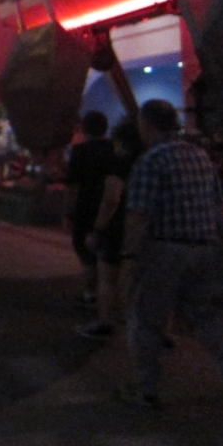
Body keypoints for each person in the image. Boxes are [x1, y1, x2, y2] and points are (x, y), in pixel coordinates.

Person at [115, 99, 223, 409]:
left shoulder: (152, 160)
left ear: (147, 125)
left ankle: (146, 389)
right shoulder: (200, 157)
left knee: (146, 319)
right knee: (204, 314)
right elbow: (218, 209)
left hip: (165, 250)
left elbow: (138, 216)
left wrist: (129, 258)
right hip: (204, 249)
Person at [75, 119, 143, 339]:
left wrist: (97, 229)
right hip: (145, 226)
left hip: (118, 225)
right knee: (139, 276)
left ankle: (105, 322)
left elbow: (111, 199)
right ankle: (143, 323)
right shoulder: (148, 161)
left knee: (107, 277)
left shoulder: (120, 162)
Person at [64, 111, 117, 307]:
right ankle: (105, 292)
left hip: (85, 207)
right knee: (105, 249)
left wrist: (69, 211)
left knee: (85, 251)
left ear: (85, 128)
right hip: (110, 207)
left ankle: (90, 292)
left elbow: (72, 186)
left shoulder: (80, 151)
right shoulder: (114, 149)